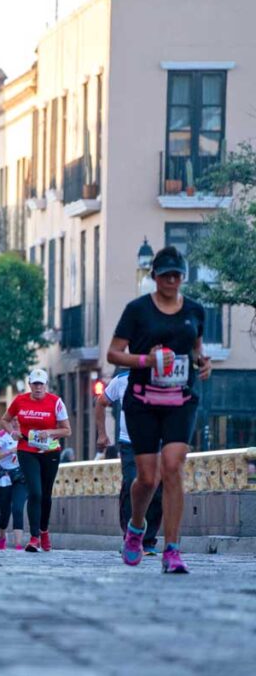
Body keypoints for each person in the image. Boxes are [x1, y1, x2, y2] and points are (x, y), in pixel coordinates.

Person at [107, 246, 211, 574]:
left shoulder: (195, 311)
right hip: (143, 399)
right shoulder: (137, 310)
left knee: (173, 467)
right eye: (165, 275)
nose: (171, 280)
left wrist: (202, 363)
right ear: (154, 277)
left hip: (180, 398)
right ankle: (136, 528)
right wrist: (146, 361)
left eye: (177, 275)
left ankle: (173, 550)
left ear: (183, 277)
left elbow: (196, 350)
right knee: (148, 479)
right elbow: (113, 353)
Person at [0, 369, 72, 553]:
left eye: (41, 384)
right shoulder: (20, 401)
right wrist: (12, 432)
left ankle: (44, 531)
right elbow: (5, 419)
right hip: (26, 450)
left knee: (46, 495)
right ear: (30, 384)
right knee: (35, 493)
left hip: (50, 451)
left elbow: (66, 430)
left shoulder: (55, 402)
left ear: (46, 385)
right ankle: (34, 538)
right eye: (35, 384)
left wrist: (49, 432)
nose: (38, 387)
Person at [96, 370, 163, 556]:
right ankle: (129, 537)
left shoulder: (164, 377)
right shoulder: (121, 379)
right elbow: (101, 402)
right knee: (132, 483)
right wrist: (102, 434)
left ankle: (148, 540)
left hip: (157, 441)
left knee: (157, 488)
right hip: (129, 442)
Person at [0, 429, 27, 550]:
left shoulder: (28, 432)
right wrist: (9, 452)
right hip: (4, 477)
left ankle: (18, 544)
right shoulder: (2, 435)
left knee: (18, 509)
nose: (16, 422)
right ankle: (2, 536)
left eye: (18, 419)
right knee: (5, 512)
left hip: (21, 477)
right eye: (14, 419)